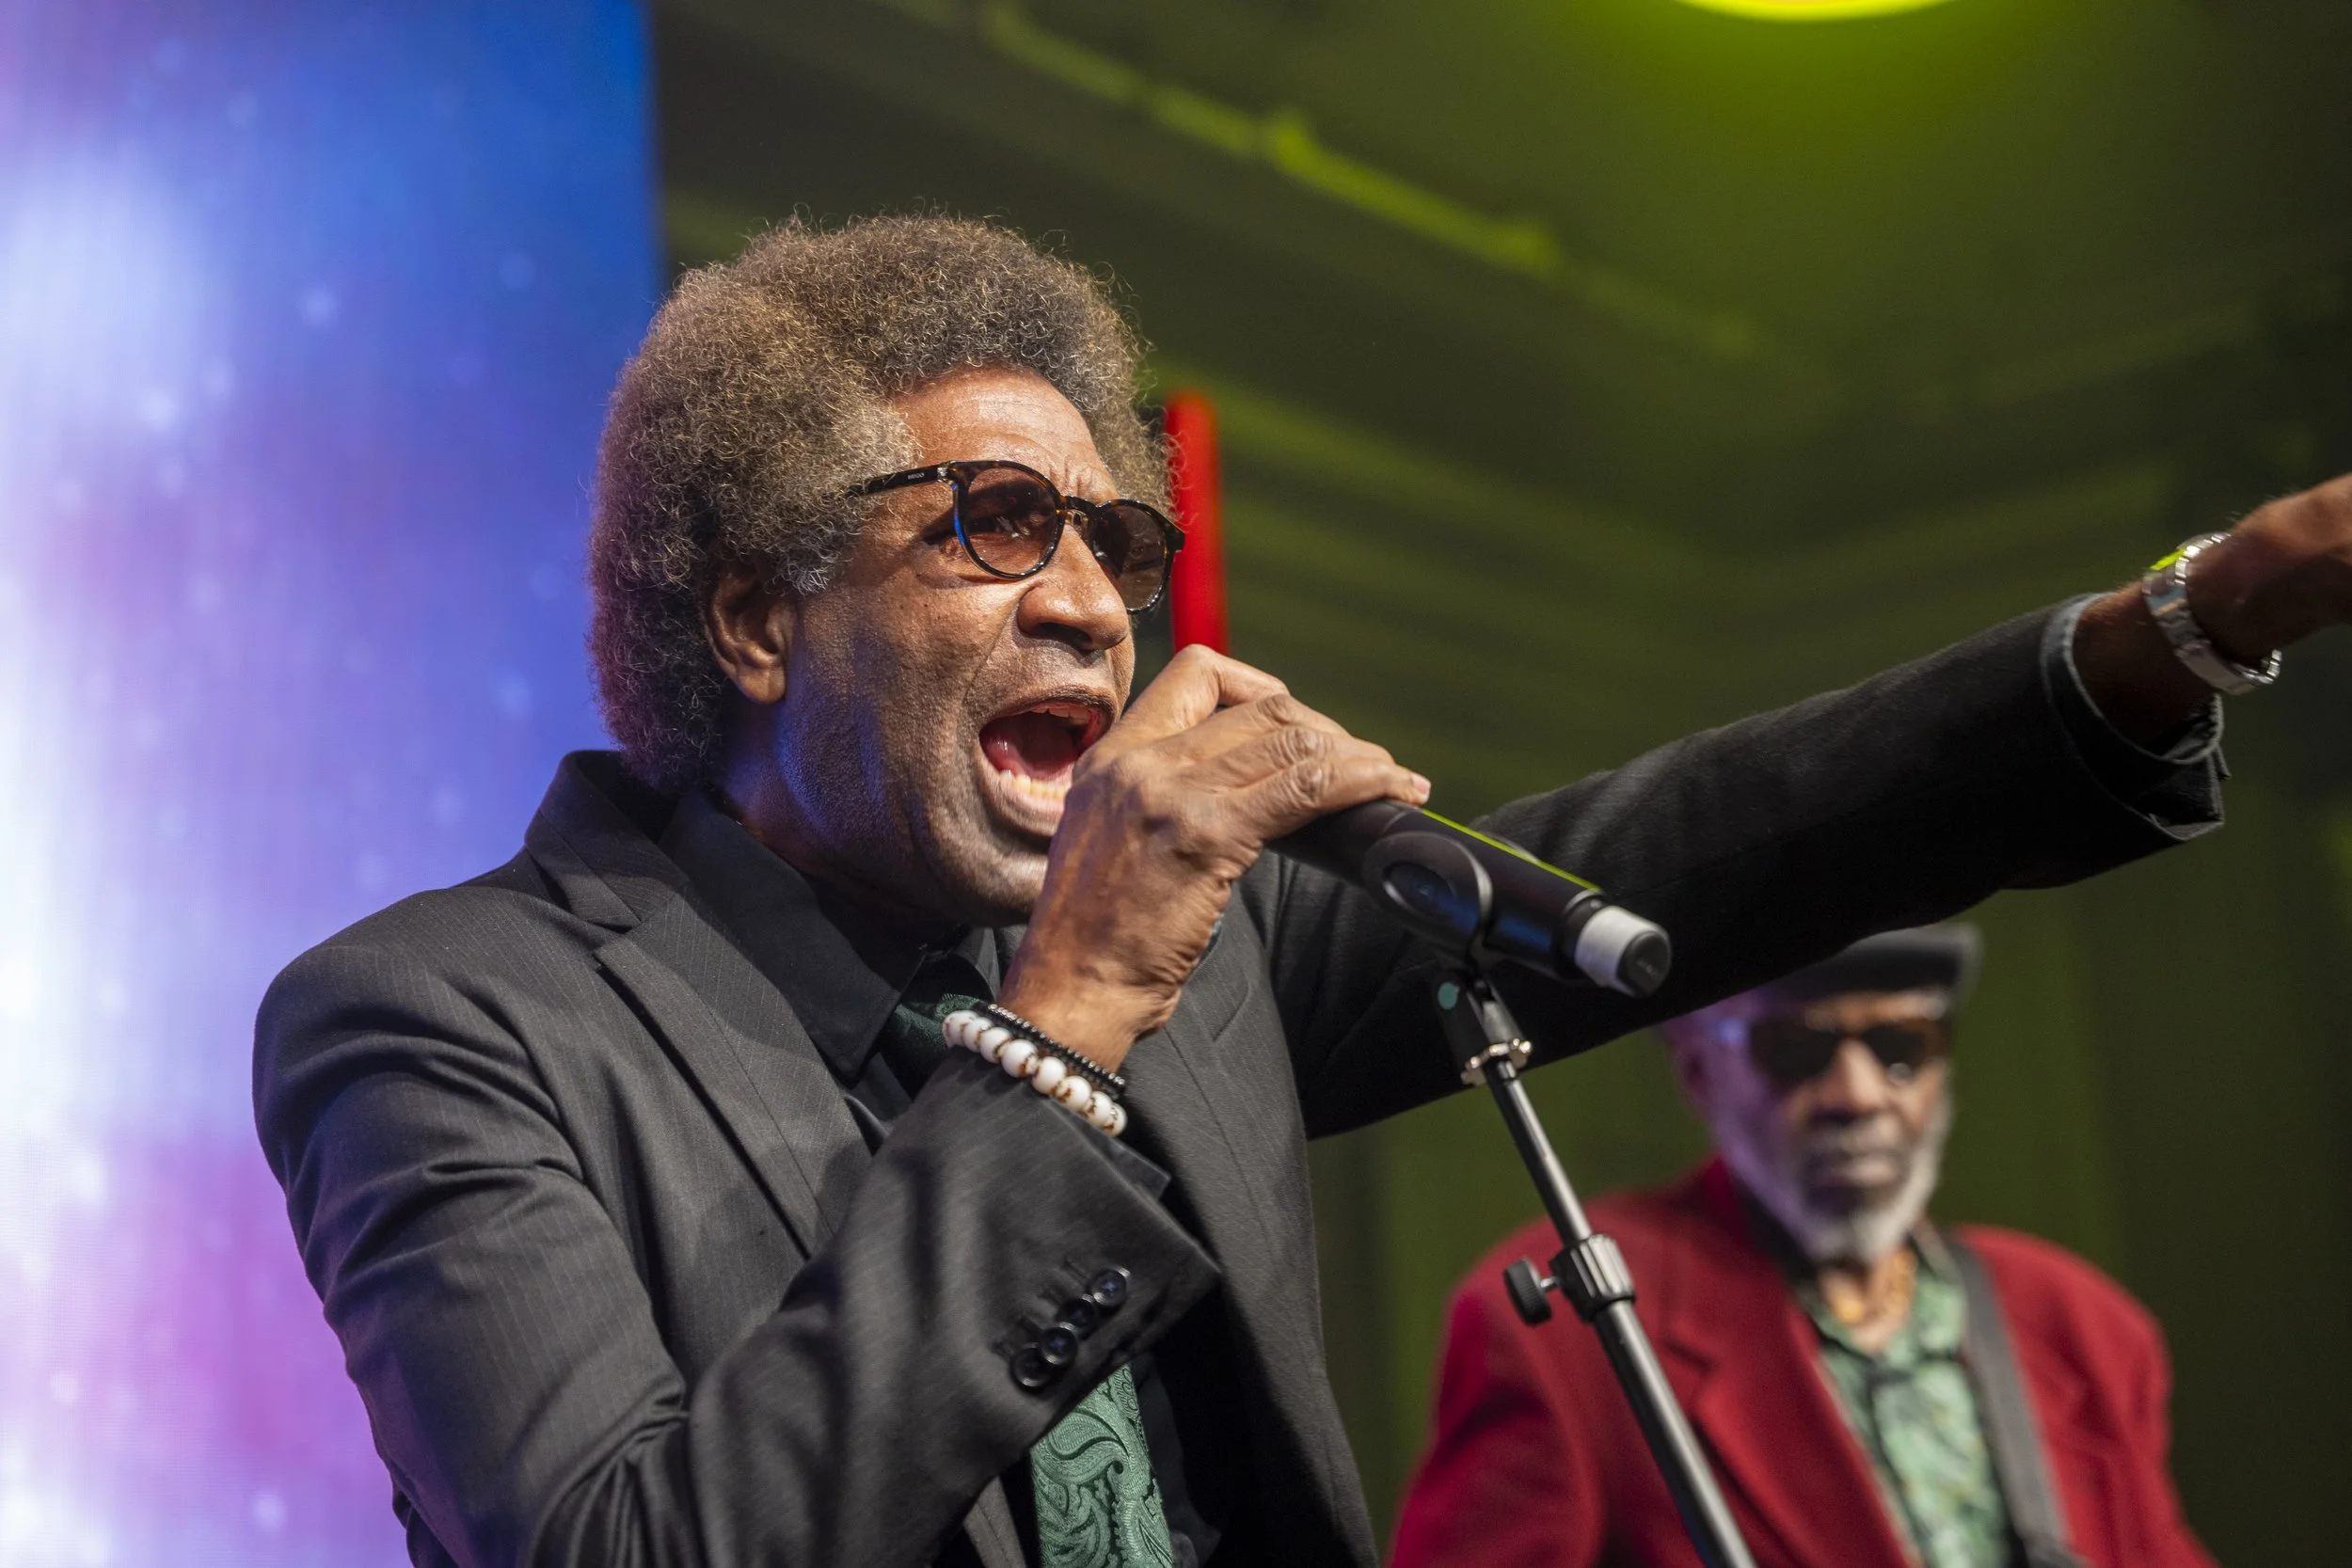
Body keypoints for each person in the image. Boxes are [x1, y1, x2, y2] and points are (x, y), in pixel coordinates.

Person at [251, 214, 2352, 1568]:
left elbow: (1694, 839)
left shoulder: (1195, 955)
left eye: (1112, 540)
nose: (1092, 602)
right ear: (750, 618)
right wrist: (1070, 1010)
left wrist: (2172, 632)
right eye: (994, 522)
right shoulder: (444, 1019)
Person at [1389, 927, 2216, 1568]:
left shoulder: (2085, 1322)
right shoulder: (1569, 1338)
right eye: (1796, 1049)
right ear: (1699, 1073)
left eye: (1901, 1048)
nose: (1858, 1095)